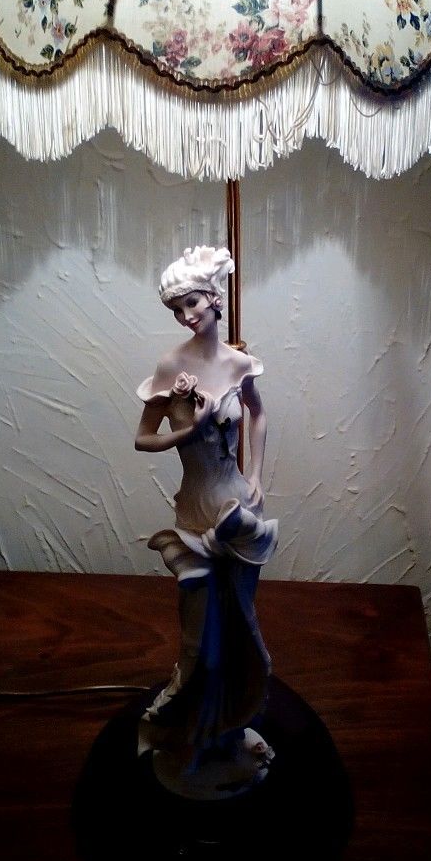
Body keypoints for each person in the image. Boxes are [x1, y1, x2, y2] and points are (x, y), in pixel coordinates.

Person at [135, 246, 278, 799]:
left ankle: (228, 735)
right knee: (202, 644)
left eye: (192, 303)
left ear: (215, 299)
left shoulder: (239, 364)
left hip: (237, 509)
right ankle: (182, 736)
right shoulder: (171, 366)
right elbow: (143, 438)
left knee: (243, 631)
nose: (186, 316)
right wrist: (186, 431)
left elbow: (257, 412)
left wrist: (256, 472)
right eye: (177, 309)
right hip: (195, 515)